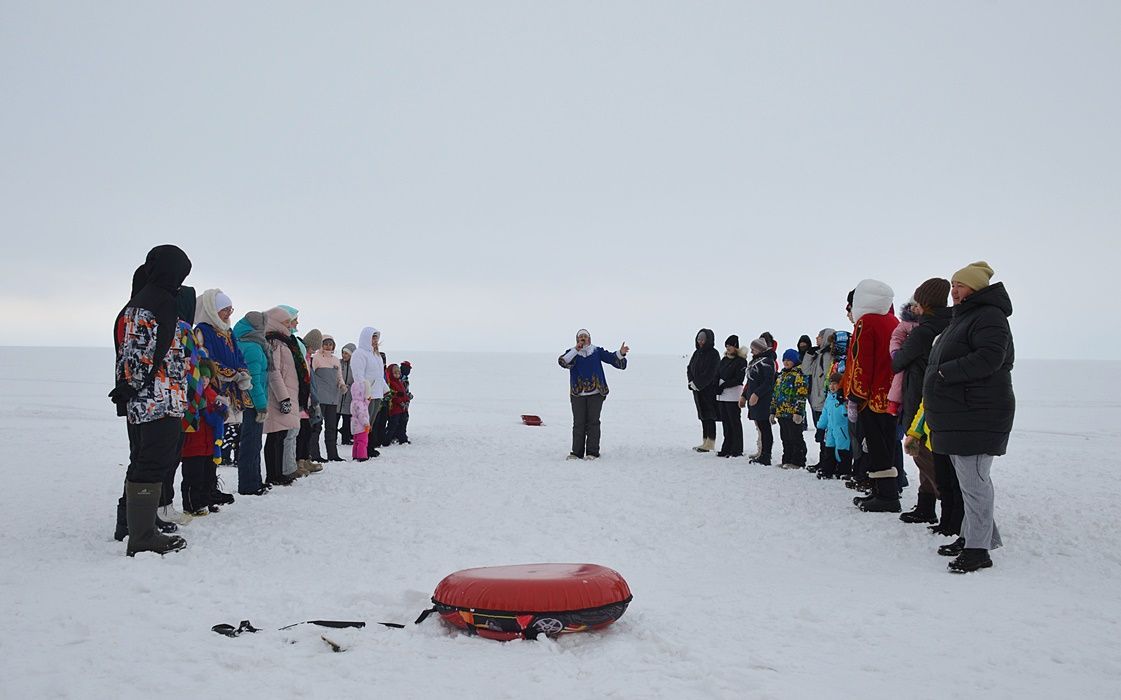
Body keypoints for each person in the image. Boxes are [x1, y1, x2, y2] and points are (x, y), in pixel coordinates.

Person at [924, 261, 1015, 574]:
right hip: (962, 413)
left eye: (959, 285)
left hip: (978, 413)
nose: (954, 291)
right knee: (970, 482)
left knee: (974, 482)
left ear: (976, 288)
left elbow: (991, 357)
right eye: (952, 285)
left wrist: (944, 373)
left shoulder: (989, 316)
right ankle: (974, 537)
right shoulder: (965, 317)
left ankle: (978, 550)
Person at [109, 244, 191, 556]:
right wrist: (129, 387)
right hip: (151, 400)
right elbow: (135, 350)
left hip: (163, 398)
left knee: (148, 460)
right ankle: (141, 536)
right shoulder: (148, 303)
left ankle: (132, 526)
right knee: (151, 462)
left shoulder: (159, 300)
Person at [892, 278, 953, 525]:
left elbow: (898, 362)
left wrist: (897, 347)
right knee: (931, 454)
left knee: (923, 455)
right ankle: (926, 505)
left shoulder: (923, 332)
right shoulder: (948, 325)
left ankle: (951, 510)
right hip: (939, 400)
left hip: (918, 397)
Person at [843, 279, 902, 513]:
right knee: (887, 442)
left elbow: (861, 362)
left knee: (875, 444)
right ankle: (882, 490)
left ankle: (885, 495)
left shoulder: (865, 322)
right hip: (891, 395)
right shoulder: (892, 321)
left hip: (870, 396)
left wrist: (855, 396)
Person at [193, 289, 250, 505]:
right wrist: (230, 374)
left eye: (230, 309)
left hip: (232, 392)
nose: (228, 314)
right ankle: (204, 489)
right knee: (212, 440)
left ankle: (212, 487)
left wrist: (243, 373)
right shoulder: (203, 331)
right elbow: (204, 359)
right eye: (224, 310)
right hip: (213, 391)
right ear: (213, 310)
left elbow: (239, 356)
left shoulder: (228, 331)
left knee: (220, 438)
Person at [558, 329, 629, 460]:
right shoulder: (572, 353)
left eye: (585, 336)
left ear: (590, 339)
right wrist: (576, 349)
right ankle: (576, 453)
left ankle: (592, 452)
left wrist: (621, 353)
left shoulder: (596, 351)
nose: (583, 338)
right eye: (581, 337)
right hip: (578, 393)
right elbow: (563, 361)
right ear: (577, 339)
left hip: (596, 392)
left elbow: (611, 358)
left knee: (593, 422)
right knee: (578, 423)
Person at [263, 307, 303, 486]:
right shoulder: (274, 342)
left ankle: (278, 473)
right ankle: (273, 474)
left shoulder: (282, 341)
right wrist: (283, 397)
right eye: (287, 322)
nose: (290, 325)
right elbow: (274, 372)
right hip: (278, 396)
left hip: (285, 393)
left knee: (280, 435)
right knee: (275, 436)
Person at [232, 311, 271, 495]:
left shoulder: (242, 341)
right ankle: (249, 484)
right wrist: (261, 404)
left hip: (247, 401)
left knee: (252, 442)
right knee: (252, 443)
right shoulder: (253, 347)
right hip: (252, 403)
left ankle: (254, 480)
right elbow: (254, 380)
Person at [350, 327, 390, 458]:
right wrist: (363, 393)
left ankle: (369, 447)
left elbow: (379, 374)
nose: (375, 341)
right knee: (364, 422)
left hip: (377, 393)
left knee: (371, 422)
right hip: (366, 394)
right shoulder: (359, 353)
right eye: (373, 337)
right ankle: (363, 449)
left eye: (376, 338)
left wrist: (385, 389)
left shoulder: (376, 354)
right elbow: (358, 374)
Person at [799, 328, 835, 471]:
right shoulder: (819, 354)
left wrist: (821, 396)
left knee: (826, 433)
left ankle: (828, 463)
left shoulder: (828, 355)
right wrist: (809, 354)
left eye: (819, 336)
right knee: (822, 433)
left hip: (822, 401)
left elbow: (827, 377)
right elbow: (806, 370)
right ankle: (823, 461)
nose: (816, 338)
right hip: (817, 401)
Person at [311, 334, 347, 461]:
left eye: (330, 343)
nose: (328, 346)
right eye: (325, 343)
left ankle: (333, 454)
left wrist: (342, 385)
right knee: (316, 427)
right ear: (321, 344)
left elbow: (339, 376)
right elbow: (311, 376)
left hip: (333, 398)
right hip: (319, 398)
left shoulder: (335, 360)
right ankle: (315, 455)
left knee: (332, 427)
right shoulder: (316, 358)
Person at [741, 338, 776, 465]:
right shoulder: (756, 361)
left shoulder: (767, 362)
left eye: (753, 349)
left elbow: (768, 383)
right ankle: (762, 453)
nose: (751, 352)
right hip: (755, 400)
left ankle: (766, 455)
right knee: (761, 427)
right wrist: (745, 395)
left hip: (763, 400)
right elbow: (751, 382)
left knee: (765, 427)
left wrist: (757, 394)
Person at [771, 349, 809, 469]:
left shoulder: (799, 374)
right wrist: (772, 410)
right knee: (785, 437)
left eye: (789, 360)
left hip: (793, 412)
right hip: (781, 412)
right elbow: (775, 394)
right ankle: (787, 459)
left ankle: (798, 461)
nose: (786, 362)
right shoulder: (781, 375)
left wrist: (798, 412)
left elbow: (801, 394)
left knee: (795, 437)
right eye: (784, 360)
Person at [687, 329, 720, 453]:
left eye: (703, 339)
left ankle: (710, 442)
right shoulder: (697, 353)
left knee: (710, 416)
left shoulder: (714, 354)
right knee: (702, 416)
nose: (700, 342)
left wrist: (699, 384)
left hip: (709, 390)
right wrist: (691, 382)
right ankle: (704, 440)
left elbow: (712, 372)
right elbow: (689, 368)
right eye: (699, 339)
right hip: (697, 390)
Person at [815, 372, 851, 479]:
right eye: (831, 383)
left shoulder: (845, 398)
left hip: (842, 430)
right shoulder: (829, 398)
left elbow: (848, 413)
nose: (832, 386)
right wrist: (820, 428)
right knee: (829, 450)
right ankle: (828, 469)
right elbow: (824, 414)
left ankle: (844, 470)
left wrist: (843, 402)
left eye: (835, 384)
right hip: (830, 430)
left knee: (842, 451)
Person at [715, 336, 747, 458]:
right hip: (722, 396)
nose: (728, 348)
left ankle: (737, 448)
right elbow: (717, 373)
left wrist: (724, 385)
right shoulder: (724, 359)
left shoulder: (741, 361)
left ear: (736, 347)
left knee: (734, 422)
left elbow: (738, 379)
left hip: (733, 395)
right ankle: (726, 446)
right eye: (727, 346)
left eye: (730, 345)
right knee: (725, 422)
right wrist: (716, 385)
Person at [382, 363, 410, 445]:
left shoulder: (400, 382)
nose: (397, 375)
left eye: (398, 373)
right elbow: (393, 396)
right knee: (393, 425)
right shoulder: (391, 383)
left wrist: (407, 401)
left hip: (403, 408)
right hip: (395, 409)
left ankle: (403, 439)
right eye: (395, 373)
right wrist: (400, 402)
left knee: (402, 424)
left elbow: (404, 393)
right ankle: (386, 440)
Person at [337, 343, 356, 445]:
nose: (344, 355)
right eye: (343, 353)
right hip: (338, 394)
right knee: (334, 419)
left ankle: (346, 439)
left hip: (349, 396)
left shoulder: (355, 366)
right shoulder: (338, 363)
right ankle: (332, 439)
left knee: (347, 419)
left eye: (347, 354)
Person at [350, 378, 371, 461]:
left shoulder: (354, 402)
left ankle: (355, 455)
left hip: (355, 426)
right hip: (361, 426)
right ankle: (362, 456)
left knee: (356, 442)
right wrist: (366, 424)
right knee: (363, 442)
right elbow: (361, 415)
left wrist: (367, 401)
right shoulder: (360, 404)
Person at [398, 360, 413, 444]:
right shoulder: (399, 378)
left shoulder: (405, 379)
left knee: (404, 419)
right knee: (401, 419)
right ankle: (401, 437)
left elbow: (405, 391)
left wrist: (408, 395)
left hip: (405, 403)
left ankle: (401, 435)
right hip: (400, 403)